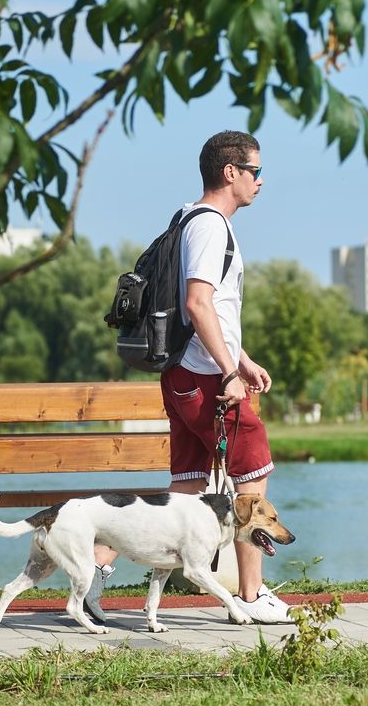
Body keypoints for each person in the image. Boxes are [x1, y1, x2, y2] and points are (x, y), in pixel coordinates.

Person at [85, 129, 291, 625]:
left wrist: (242, 358)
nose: (261, 181)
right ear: (230, 173)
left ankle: (93, 573)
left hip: (185, 373)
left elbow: (204, 309)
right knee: (253, 475)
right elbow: (198, 303)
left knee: (187, 490)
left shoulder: (187, 218)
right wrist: (228, 371)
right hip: (204, 378)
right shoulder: (210, 226)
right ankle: (251, 593)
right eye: (256, 171)